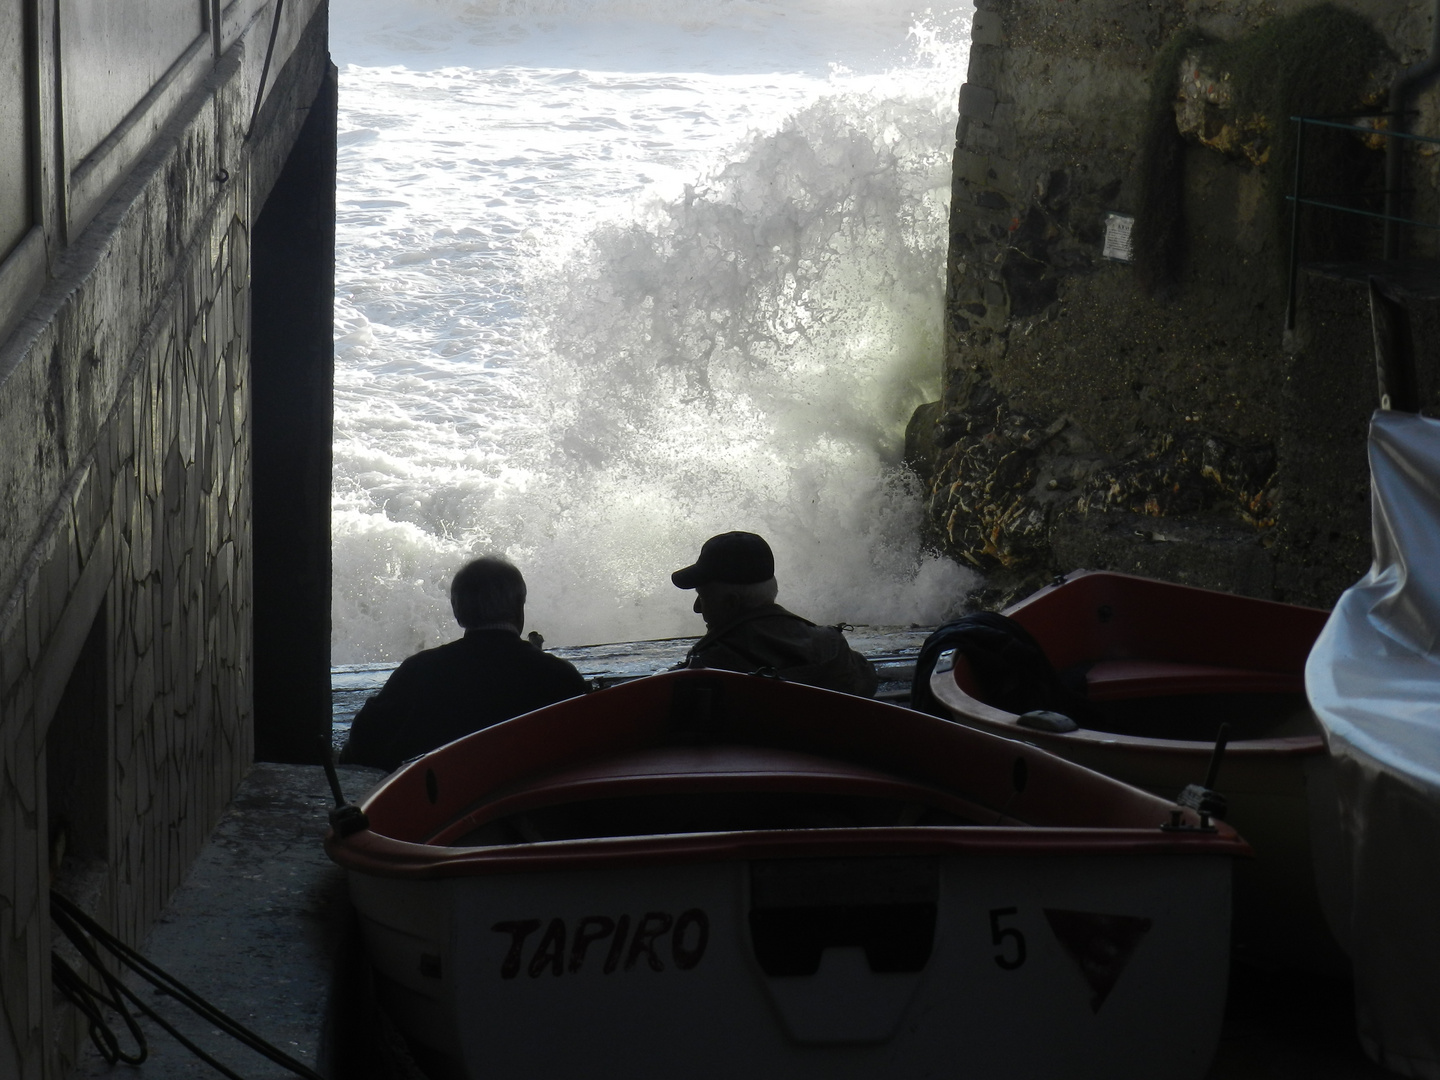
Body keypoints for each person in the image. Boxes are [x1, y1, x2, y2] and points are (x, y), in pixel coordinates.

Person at [340, 556, 588, 771]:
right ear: (518, 609)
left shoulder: (418, 671)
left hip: (441, 810)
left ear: (458, 612)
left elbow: (363, 742)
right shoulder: (559, 676)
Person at [671, 531, 877, 697]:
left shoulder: (711, 665)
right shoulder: (833, 648)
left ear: (731, 602)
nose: (697, 607)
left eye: (704, 596)